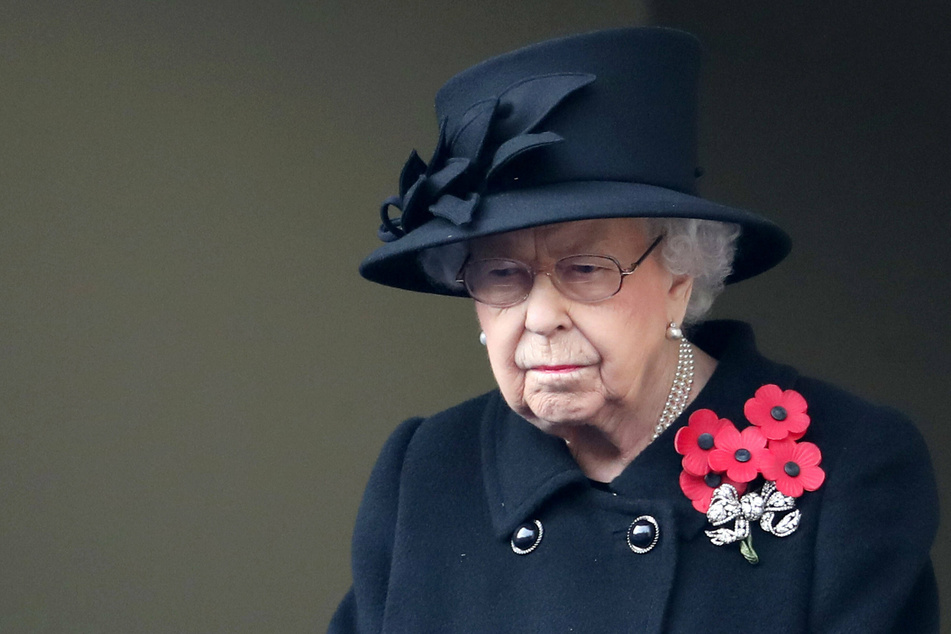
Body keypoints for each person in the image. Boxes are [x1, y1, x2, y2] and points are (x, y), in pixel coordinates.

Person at [329, 27, 938, 632]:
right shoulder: (426, 471)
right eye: (502, 274)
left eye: (587, 270)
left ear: (681, 276)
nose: (540, 318)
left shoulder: (852, 464)